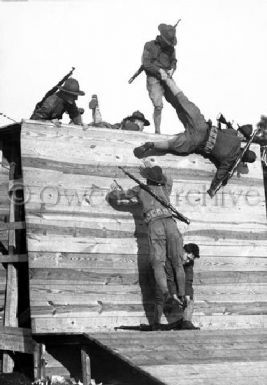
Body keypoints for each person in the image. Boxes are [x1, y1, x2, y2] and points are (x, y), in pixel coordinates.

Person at [134, 71, 256, 197]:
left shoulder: (235, 137)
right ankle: (151, 145)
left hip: (202, 126)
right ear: (242, 161)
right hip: (197, 141)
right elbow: (220, 174)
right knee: (174, 145)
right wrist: (214, 187)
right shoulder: (229, 161)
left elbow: (223, 132)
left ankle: (168, 80)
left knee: (183, 102)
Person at [107, 163, 186, 327]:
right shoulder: (165, 188)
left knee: (158, 263)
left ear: (148, 179)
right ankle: (183, 294)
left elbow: (118, 197)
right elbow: (168, 178)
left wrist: (113, 191)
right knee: (178, 263)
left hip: (154, 224)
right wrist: (153, 168)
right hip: (171, 224)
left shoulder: (139, 189)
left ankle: (165, 293)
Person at [142, 23, 177, 134]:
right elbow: (146, 64)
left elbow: (174, 61)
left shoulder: (171, 49)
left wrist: (172, 68)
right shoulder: (149, 45)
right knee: (158, 106)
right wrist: (159, 70)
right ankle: (157, 131)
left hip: (167, 76)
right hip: (154, 77)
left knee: (179, 100)